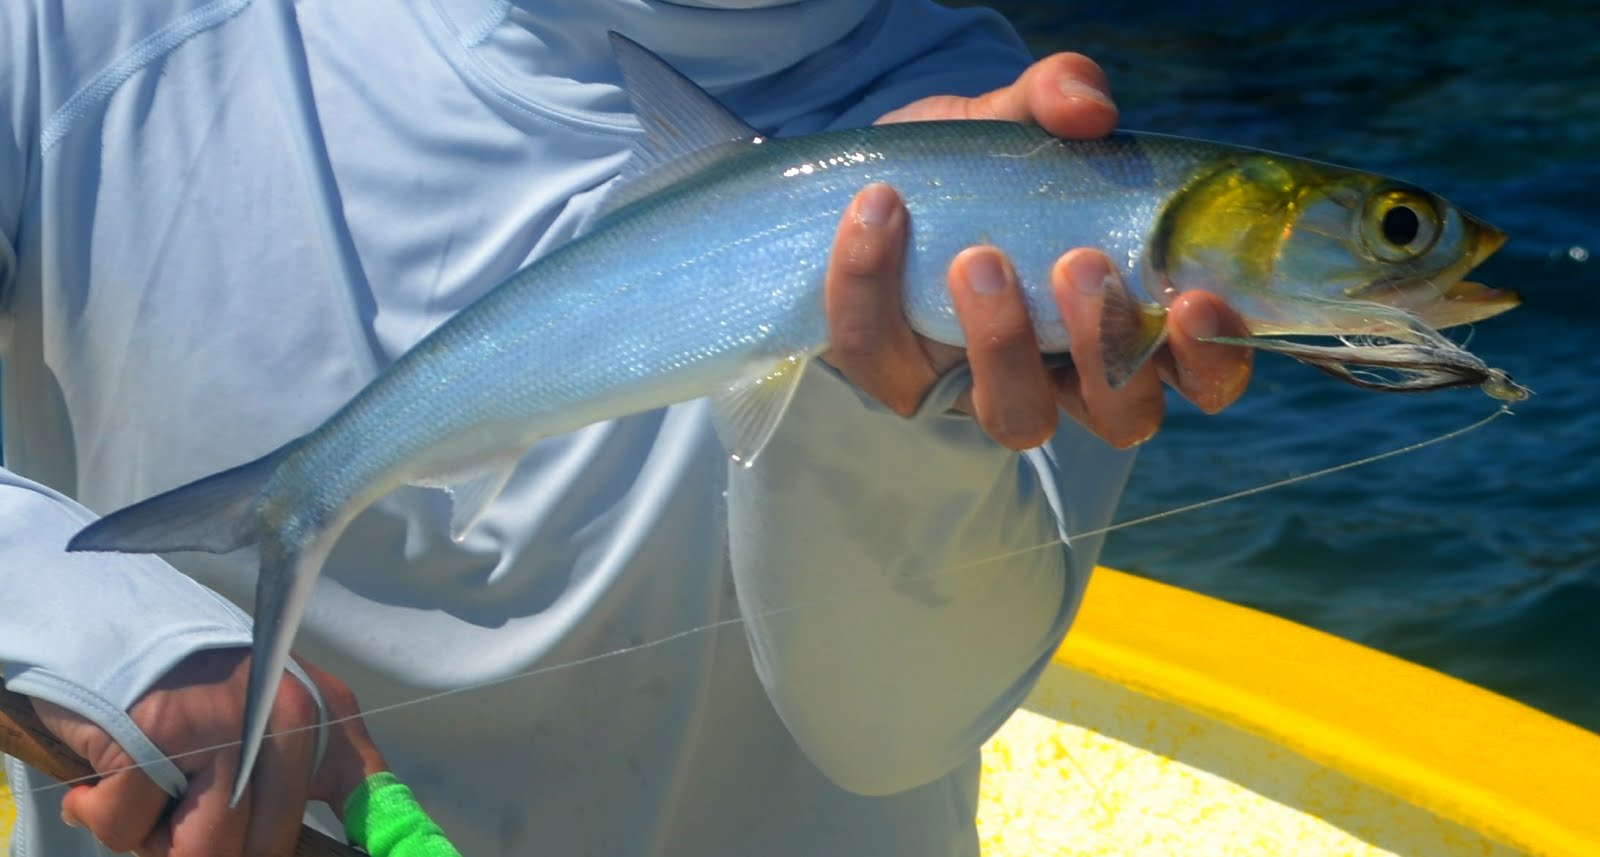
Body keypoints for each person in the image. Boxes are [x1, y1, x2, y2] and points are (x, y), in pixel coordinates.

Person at [0, 1, 1251, 855]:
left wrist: (890, 418)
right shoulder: (81, 31)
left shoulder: (1021, 142)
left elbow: (888, 729)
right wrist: (110, 644)